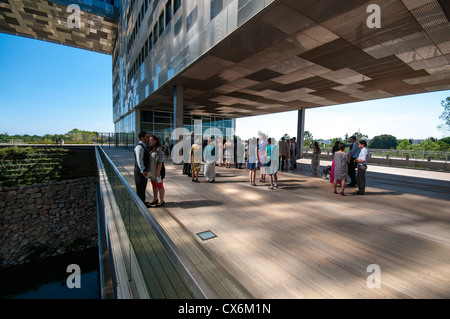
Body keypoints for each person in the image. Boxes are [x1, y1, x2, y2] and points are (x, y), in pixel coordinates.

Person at [134, 131, 150, 206]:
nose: (148, 138)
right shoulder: (139, 147)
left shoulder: (144, 146)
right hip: (140, 172)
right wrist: (143, 170)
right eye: (147, 136)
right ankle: (140, 204)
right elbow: (139, 160)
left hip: (143, 171)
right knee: (140, 188)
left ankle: (142, 202)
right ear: (142, 137)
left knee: (143, 187)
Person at [148, 135, 165, 207]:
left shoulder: (159, 149)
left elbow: (160, 162)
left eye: (151, 140)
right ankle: (155, 199)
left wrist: (158, 172)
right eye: (149, 140)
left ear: (156, 141)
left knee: (159, 186)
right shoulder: (152, 149)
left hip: (158, 172)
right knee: (154, 185)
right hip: (152, 171)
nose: (150, 141)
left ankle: (161, 201)